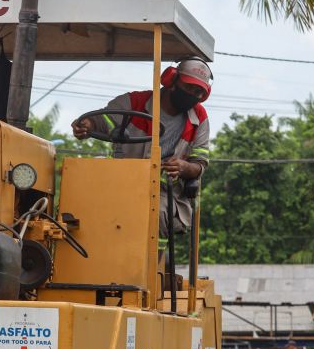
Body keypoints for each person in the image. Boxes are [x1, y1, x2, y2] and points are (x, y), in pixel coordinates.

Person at [71, 57, 212, 238]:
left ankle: (152, 263)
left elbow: (199, 164)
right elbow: (101, 121)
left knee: (157, 212)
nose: (192, 94)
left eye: (198, 92)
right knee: (81, 205)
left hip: (164, 193)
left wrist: (184, 167)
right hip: (120, 185)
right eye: (188, 87)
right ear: (172, 80)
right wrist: (87, 124)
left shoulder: (199, 118)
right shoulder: (134, 103)